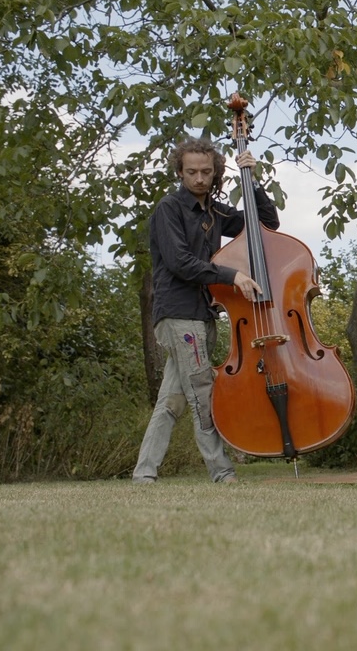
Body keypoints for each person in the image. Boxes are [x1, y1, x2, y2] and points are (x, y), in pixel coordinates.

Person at [132, 138, 279, 484]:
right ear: (180, 172)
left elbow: (267, 222)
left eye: (206, 172)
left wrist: (251, 179)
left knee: (171, 399)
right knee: (201, 390)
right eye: (192, 172)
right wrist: (233, 276)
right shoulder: (169, 208)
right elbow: (181, 263)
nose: (199, 178)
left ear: (215, 173)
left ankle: (144, 473)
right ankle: (221, 470)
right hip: (178, 312)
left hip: (203, 314)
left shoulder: (216, 211)